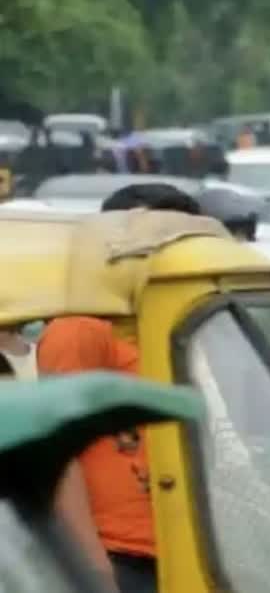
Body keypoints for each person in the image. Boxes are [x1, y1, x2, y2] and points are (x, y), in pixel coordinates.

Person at [39, 182, 204, 593]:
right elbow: (61, 455)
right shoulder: (82, 327)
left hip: (189, 543)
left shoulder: (184, 326)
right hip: (121, 553)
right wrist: (92, 566)